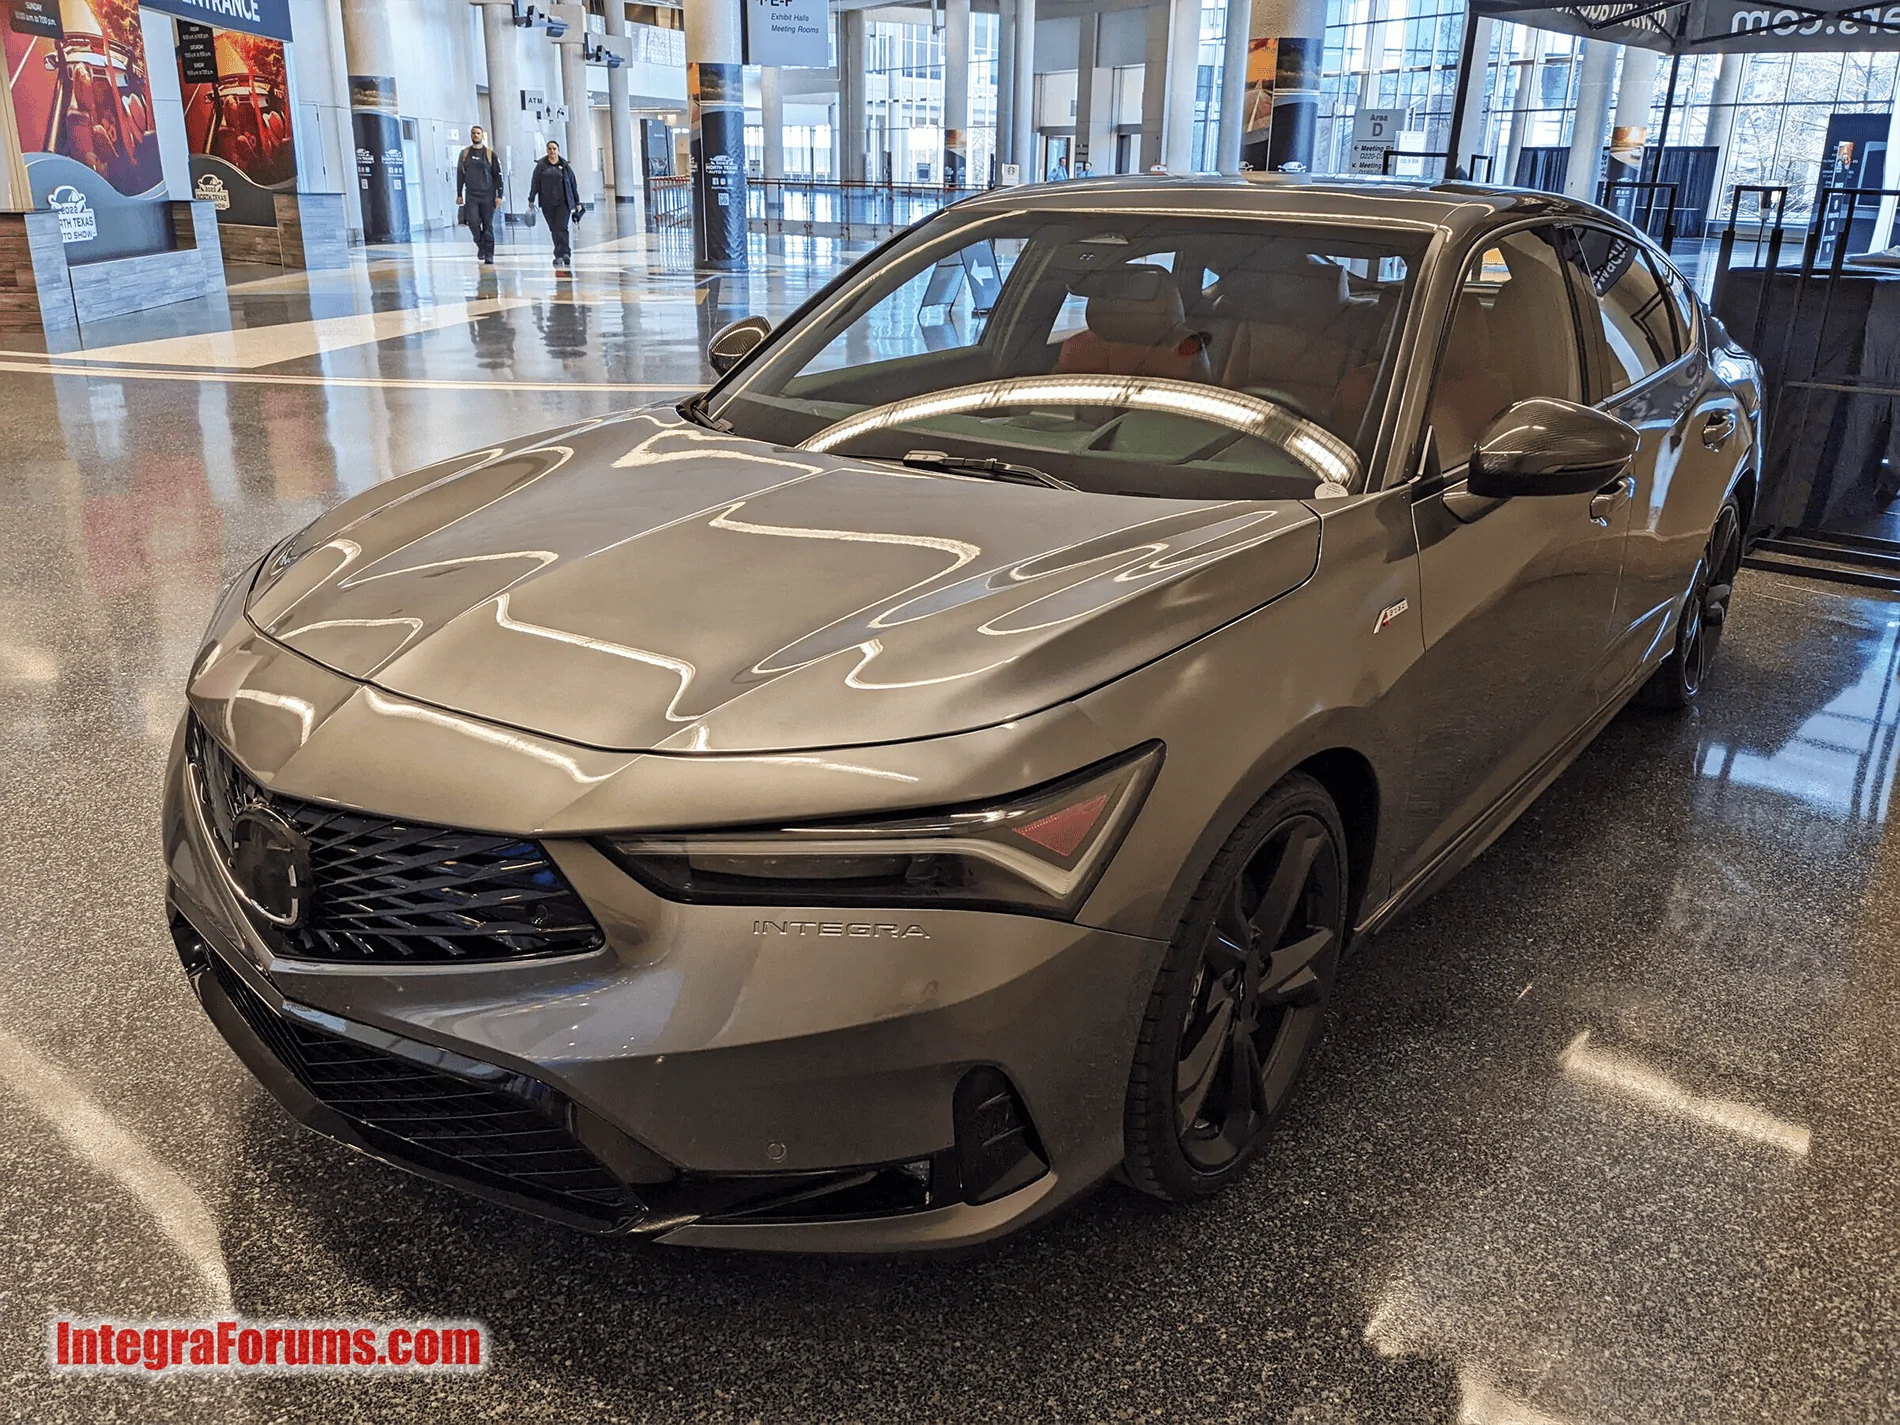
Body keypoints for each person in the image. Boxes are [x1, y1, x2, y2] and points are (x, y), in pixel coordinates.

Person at [530, 141, 581, 272]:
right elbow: (535, 183)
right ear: (547, 150)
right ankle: (558, 254)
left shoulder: (565, 166)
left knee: (562, 227)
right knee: (554, 229)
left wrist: (577, 202)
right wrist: (531, 198)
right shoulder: (541, 166)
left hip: (563, 202)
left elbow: (573, 185)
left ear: (558, 150)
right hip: (547, 203)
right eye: (550, 149)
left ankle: (565, 253)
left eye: (554, 149)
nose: (552, 151)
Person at [456, 126, 502, 264]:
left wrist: (499, 195)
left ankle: (489, 254)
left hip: (488, 196)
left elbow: (498, 176)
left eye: (478, 133)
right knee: (473, 222)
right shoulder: (465, 154)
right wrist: (459, 193)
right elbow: (460, 175)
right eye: (473, 133)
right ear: (471, 136)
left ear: (482, 136)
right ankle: (481, 245)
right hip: (471, 196)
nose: (475, 135)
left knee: (488, 226)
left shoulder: (490, 154)